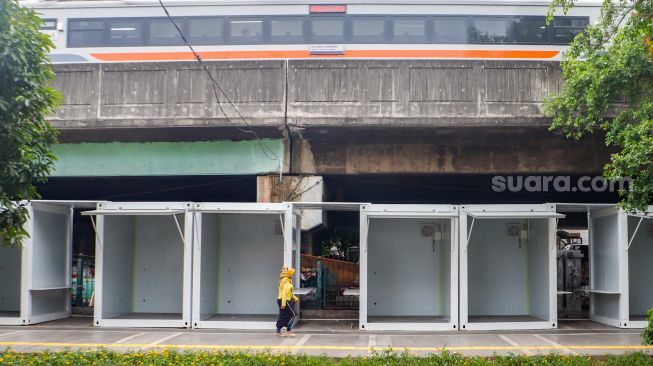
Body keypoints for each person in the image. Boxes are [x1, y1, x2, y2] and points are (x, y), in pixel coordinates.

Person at [276, 266, 299, 337]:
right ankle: (288, 330)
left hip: (282, 300)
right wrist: (283, 304)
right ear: (288, 274)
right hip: (285, 300)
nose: (293, 275)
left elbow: (289, 293)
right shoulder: (286, 281)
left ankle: (278, 330)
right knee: (293, 314)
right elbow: (284, 293)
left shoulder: (285, 280)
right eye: (292, 274)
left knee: (282, 315)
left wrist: (295, 298)